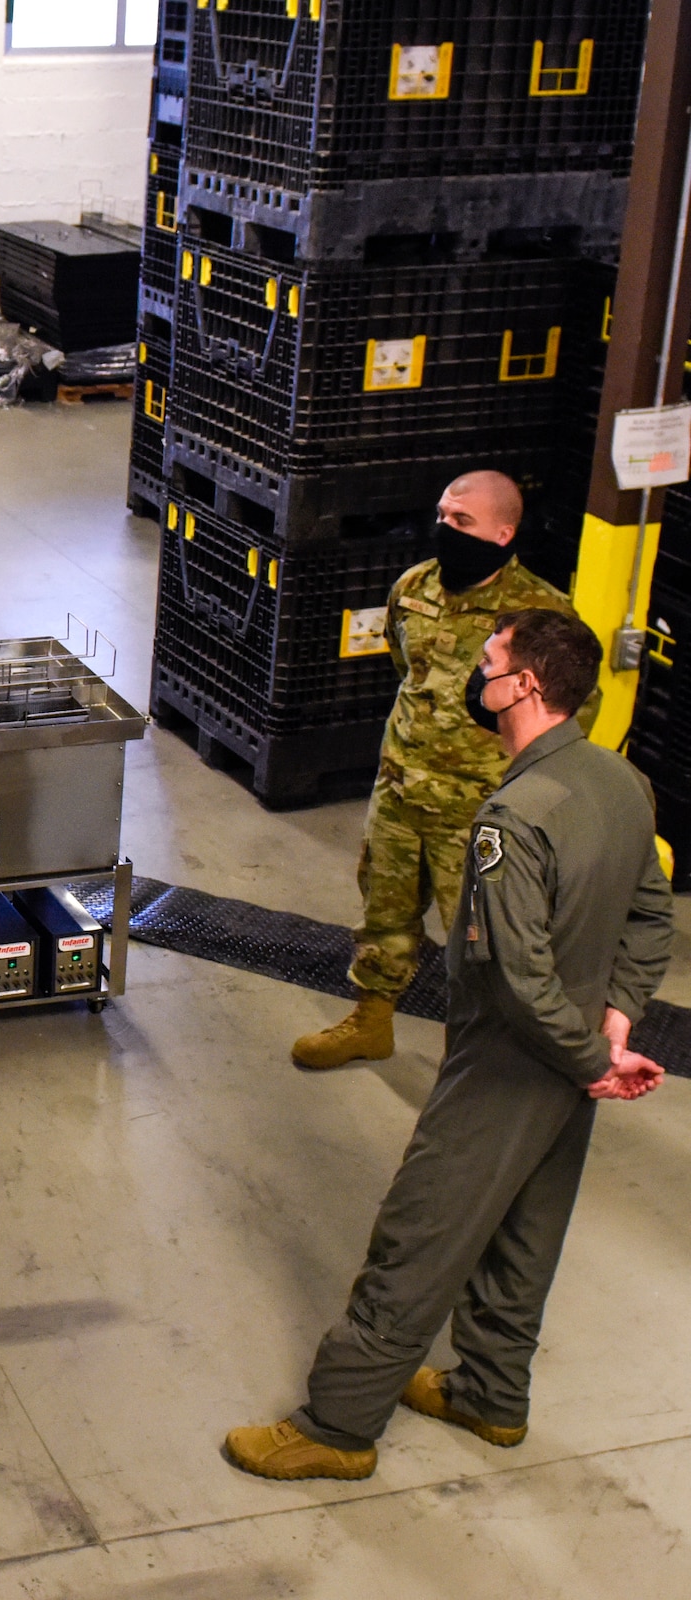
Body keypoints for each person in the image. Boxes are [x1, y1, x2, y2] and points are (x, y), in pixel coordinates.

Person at [227, 609, 675, 1481]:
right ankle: (491, 1395)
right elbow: (649, 917)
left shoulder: (516, 815)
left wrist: (590, 1056)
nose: (480, 671)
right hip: (577, 1060)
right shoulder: (622, 783)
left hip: (511, 1064)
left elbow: (515, 977)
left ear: (526, 687)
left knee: (419, 1236)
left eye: (492, 660)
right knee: (526, 1230)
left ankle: (339, 1425)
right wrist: (615, 1025)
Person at [293, 471, 592, 1070]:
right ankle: (371, 1020)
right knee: (384, 912)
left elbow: (564, 717)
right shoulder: (412, 587)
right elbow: (403, 664)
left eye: (463, 521)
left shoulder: (541, 618)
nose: (445, 530)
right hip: (402, 788)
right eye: (442, 516)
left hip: (482, 812)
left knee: (482, 941)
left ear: (504, 532)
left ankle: (475, 1058)